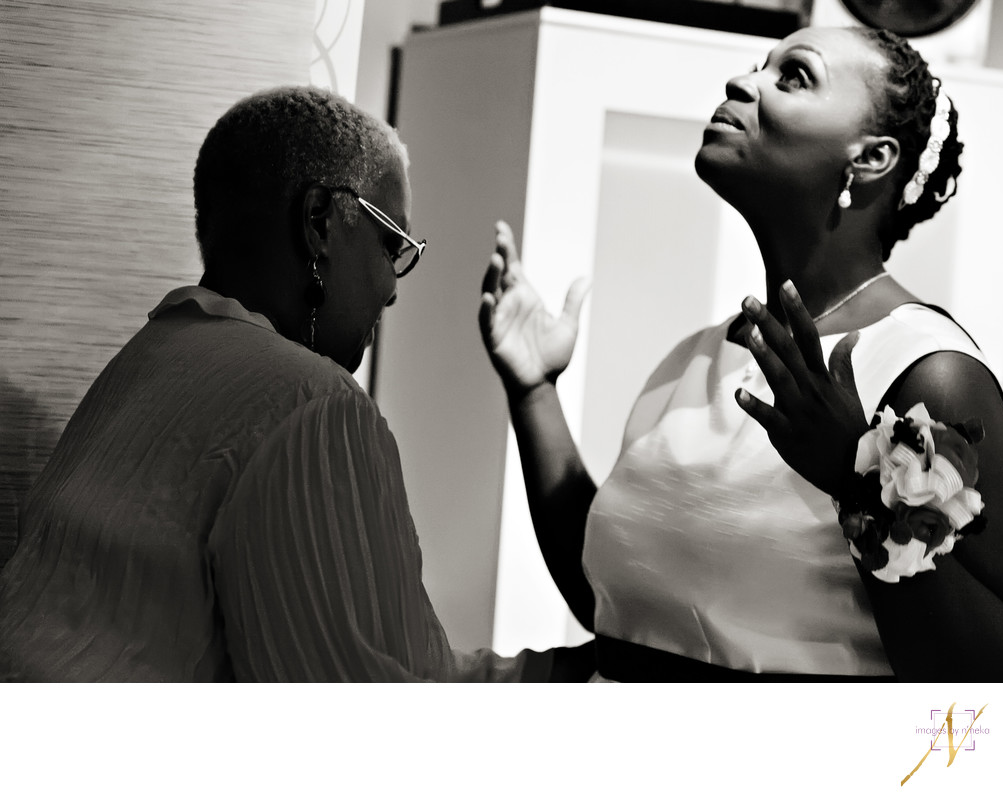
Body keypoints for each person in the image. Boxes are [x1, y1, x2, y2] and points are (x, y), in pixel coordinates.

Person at [479, 27, 1003, 681]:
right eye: (757, 68)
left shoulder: (930, 373)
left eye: (794, 76)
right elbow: (623, 613)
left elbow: (998, 681)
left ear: (870, 158)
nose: (743, 84)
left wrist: (857, 482)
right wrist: (534, 392)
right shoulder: (695, 358)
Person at [0, 86, 591, 682]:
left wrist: (567, 674)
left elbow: (402, 664)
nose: (392, 286)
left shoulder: (151, 353)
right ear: (318, 222)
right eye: (392, 244)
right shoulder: (312, 406)